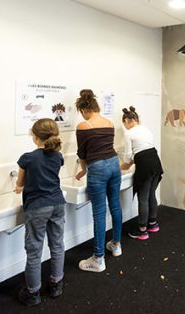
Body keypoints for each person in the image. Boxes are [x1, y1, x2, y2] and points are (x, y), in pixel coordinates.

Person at [14, 118, 66, 307]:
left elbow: (20, 183)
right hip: (58, 203)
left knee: (34, 250)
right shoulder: (58, 156)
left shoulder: (27, 158)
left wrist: (19, 187)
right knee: (57, 245)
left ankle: (33, 292)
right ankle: (56, 284)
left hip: (37, 207)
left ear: (35, 137)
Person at [74, 89, 122, 272]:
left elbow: (82, 153)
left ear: (83, 110)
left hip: (98, 168)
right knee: (115, 206)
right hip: (114, 163)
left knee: (99, 213)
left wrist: (83, 170)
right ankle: (116, 245)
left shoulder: (83, 126)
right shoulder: (109, 122)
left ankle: (98, 259)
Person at [120, 106, 164, 240]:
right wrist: (131, 162)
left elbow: (128, 156)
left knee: (143, 198)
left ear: (127, 121)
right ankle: (153, 224)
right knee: (151, 194)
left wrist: (123, 166)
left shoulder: (128, 133)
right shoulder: (146, 129)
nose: (125, 127)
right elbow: (143, 150)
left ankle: (142, 230)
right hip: (155, 162)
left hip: (144, 166)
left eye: (124, 124)